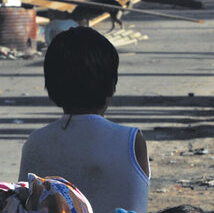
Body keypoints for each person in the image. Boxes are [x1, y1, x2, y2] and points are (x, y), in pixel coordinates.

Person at [18, 26, 150, 213]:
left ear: (51, 86)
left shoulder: (36, 142)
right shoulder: (130, 141)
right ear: (112, 85)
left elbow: (21, 203)